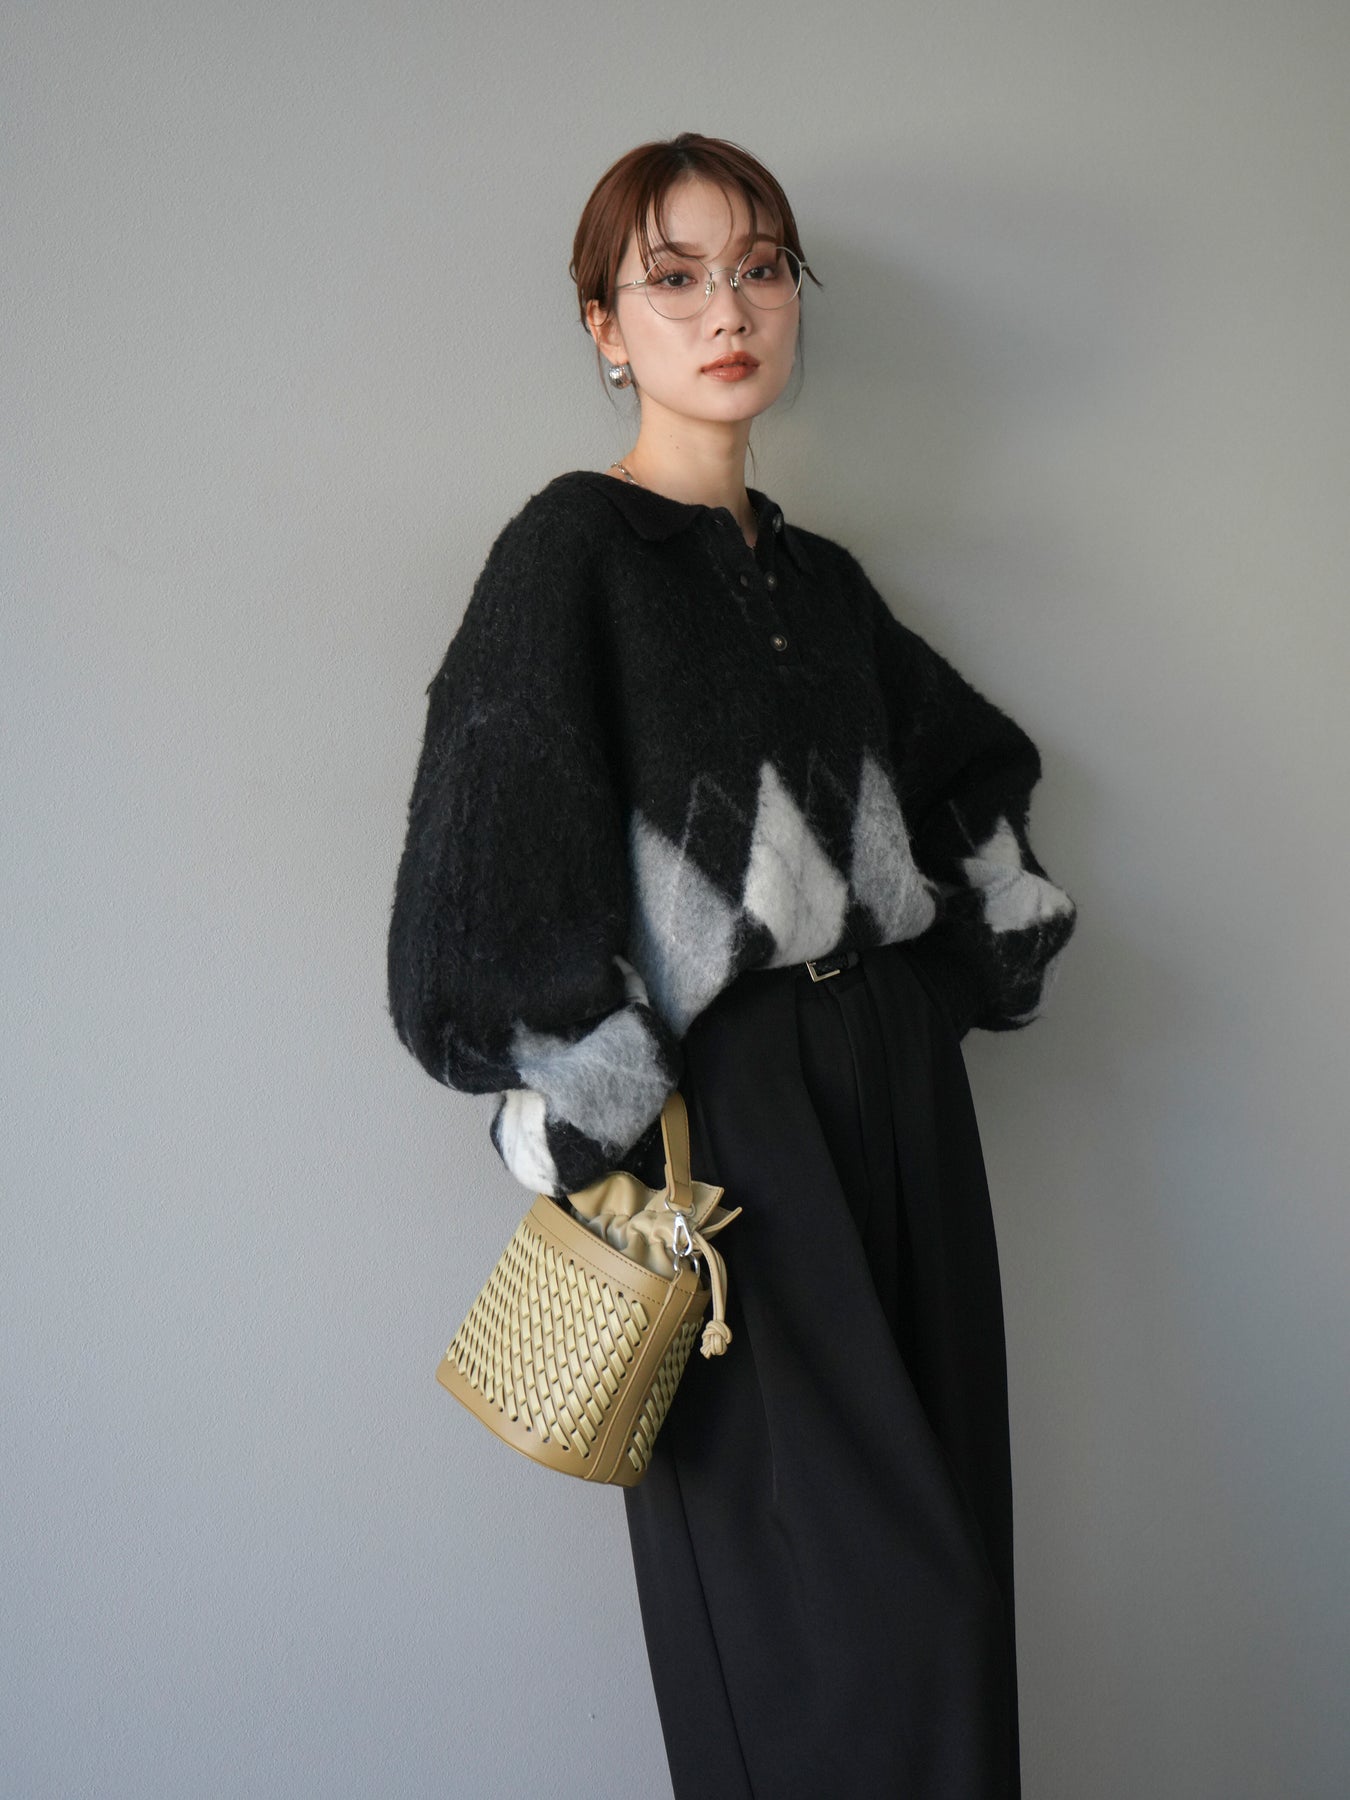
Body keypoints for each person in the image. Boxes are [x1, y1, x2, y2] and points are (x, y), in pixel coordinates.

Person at [385, 131, 1078, 1800]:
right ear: (604, 326)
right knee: (841, 1627)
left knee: (954, 1592)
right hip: (735, 1136)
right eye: (675, 276)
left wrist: (946, 978)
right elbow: (475, 884)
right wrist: (598, 1089)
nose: (727, 310)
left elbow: (971, 777)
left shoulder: (819, 582)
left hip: (898, 1101)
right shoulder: (571, 554)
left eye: (760, 268)